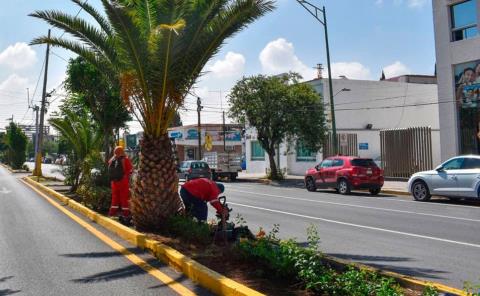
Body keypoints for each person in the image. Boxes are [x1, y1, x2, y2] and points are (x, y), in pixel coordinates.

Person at [108, 146, 133, 218]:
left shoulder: (112, 159)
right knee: (124, 197)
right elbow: (130, 169)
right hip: (123, 181)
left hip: (114, 182)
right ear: (122, 151)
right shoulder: (125, 159)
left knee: (115, 196)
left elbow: (109, 166)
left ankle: (112, 213)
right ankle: (125, 213)